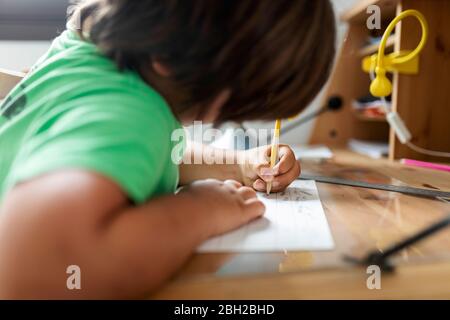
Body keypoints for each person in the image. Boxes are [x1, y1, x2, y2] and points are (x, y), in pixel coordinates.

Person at [0, 0, 335, 298]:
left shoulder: (83, 59)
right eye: (228, 108)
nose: (218, 122)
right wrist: (203, 212)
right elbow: (37, 270)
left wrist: (237, 166)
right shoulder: (131, 110)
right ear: (170, 54)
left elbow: (136, 156)